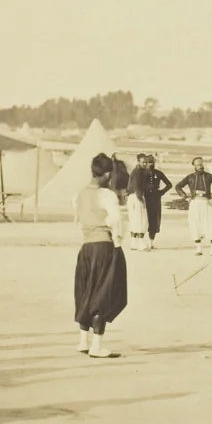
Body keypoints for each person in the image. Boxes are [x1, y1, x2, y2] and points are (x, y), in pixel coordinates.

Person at [73, 152, 129, 358]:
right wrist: (117, 241)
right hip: (103, 246)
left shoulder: (79, 194)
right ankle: (97, 346)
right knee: (103, 292)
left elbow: (78, 219)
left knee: (85, 291)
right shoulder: (106, 195)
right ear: (107, 175)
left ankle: (83, 341)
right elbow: (115, 221)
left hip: (86, 247)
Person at [175, 157, 212, 256]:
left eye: (201, 164)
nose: (200, 166)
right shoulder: (190, 177)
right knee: (195, 224)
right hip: (195, 203)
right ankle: (198, 249)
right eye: (198, 165)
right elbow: (178, 186)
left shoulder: (209, 176)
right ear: (194, 166)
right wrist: (185, 197)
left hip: (206, 202)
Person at [142, 155, 173, 248]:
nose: (151, 164)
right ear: (146, 163)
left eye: (153, 162)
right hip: (145, 198)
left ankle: (151, 242)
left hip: (155, 199)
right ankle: (141, 241)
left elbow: (169, 184)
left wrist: (161, 192)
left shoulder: (159, 173)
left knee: (154, 219)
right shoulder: (142, 173)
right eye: (149, 162)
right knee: (144, 218)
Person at [125, 154, 151, 251]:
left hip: (133, 197)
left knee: (135, 220)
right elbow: (137, 187)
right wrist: (141, 199)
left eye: (146, 162)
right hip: (136, 196)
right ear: (138, 162)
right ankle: (140, 243)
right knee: (141, 220)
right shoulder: (137, 172)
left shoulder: (140, 172)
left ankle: (134, 243)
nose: (145, 164)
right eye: (143, 162)